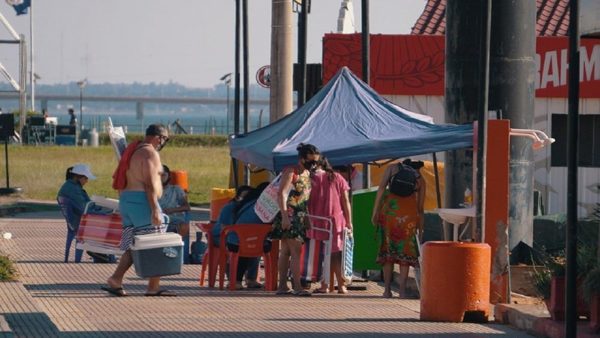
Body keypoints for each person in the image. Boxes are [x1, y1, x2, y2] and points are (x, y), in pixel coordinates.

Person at [103, 123, 173, 297]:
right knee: (158, 242)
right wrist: (154, 210)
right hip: (142, 202)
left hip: (127, 200)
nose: (162, 144)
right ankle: (153, 287)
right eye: (164, 139)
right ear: (158, 137)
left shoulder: (133, 150)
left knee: (135, 244)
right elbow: (149, 183)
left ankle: (116, 279)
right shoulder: (150, 153)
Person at [371, 158, 426, 298]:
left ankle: (387, 290)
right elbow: (420, 208)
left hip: (390, 213)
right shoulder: (420, 179)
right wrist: (420, 228)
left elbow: (381, 188)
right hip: (408, 217)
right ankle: (401, 291)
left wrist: (375, 211)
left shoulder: (392, 168)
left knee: (388, 252)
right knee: (405, 254)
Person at [271, 143, 320, 297]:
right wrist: (285, 216)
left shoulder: (306, 174)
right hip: (289, 215)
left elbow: (303, 198)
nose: (313, 165)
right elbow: (282, 194)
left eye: (315, 162)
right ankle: (297, 286)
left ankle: (282, 286)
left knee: (285, 251)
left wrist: (306, 217)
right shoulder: (291, 172)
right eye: (310, 161)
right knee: (296, 251)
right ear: (301, 159)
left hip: (298, 215)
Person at [309, 158, 352, 294]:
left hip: (317, 219)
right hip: (336, 219)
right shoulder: (338, 177)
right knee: (335, 254)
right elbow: (345, 200)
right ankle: (340, 285)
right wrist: (349, 221)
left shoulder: (313, 178)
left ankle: (325, 284)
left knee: (322, 254)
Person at [225, 182, 270, 290]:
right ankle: (241, 280)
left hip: (234, 239)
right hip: (243, 241)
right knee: (261, 246)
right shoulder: (264, 207)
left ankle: (244, 280)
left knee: (250, 246)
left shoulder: (249, 202)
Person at [57, 164, 96, 263]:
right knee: (109, 223)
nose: (87, 181)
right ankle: (106, 255)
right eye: (86, 178)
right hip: (78, 222)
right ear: (78, 177)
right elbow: (84, 208)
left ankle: (100, 254)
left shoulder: (69, 186)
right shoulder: (74, 189)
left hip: (73, 222)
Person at [158, 164, 191, 263]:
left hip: (173, 219)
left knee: (184, 226)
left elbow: (186, 207)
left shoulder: (175, 189)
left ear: (169, 176)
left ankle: (175, 250)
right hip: (157, 220)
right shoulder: (151, 190)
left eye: (164, 175)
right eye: (158, 175)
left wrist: (172, 210)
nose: (161, 178)